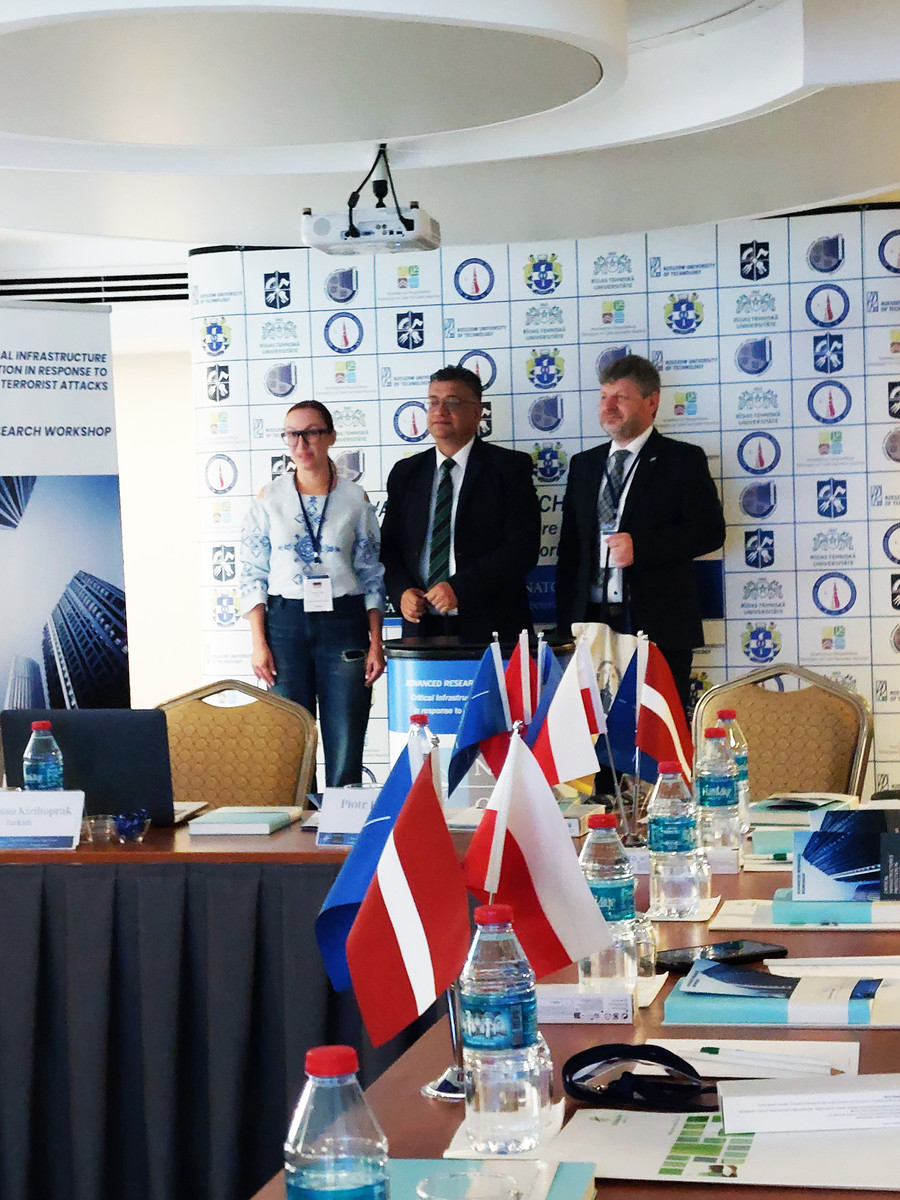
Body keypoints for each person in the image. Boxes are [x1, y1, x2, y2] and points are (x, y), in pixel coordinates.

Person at [555, 354, 725, 713]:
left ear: (651, 402)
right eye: (604, 397)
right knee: (592, 733)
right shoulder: (584, 465)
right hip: (590, 625)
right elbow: (569, 551)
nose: (608, 407)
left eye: (620, 397)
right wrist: (564, 628)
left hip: (658, 625)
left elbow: (710, 532)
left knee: (655, 731)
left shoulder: (682, 460)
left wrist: (642, 547)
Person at [239, 399, 385, 786]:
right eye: (292, 435)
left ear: (331, 437)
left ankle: (341, 820)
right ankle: (296, 820)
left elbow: (371, 573)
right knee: (291, 740)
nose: (301, 444)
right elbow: (252, 572)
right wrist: (258, 642)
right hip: (284, 624)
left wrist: (376, 642)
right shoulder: (269, 499)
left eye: (311, 433)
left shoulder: (355, 499)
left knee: (346, 733)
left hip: (344, 623)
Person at [380, 365, 541, 646]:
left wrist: (460, 588)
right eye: (433, 402)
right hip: (421, 628)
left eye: (452, 402)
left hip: (492, 624)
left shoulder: (509, 468)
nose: (440, 411)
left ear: (477, 413)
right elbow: (389, 550)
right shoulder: (405, 473)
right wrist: (401, 592)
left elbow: (522, 549)